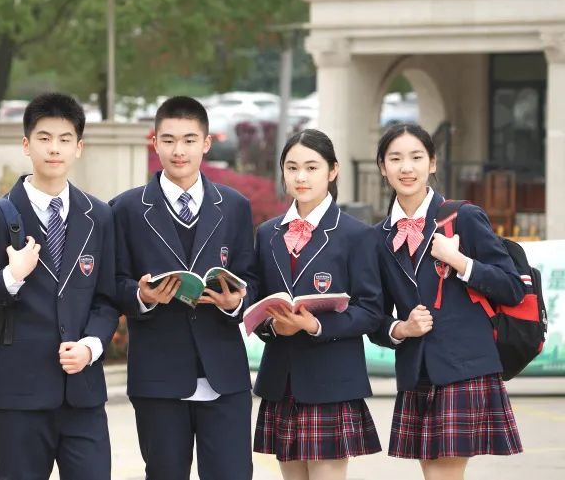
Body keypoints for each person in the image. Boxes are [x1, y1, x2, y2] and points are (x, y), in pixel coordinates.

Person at [0, 92, 119, 480]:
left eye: (64, 139)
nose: (54, 149)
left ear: (79, 148)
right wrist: (11, 277)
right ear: (26, 145)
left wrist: (91, 346)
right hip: (18, 396)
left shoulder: (99, 216)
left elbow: (107, 299)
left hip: (83, 395)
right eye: (44, 138)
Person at [109, 96, 257, 480]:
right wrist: (141, 295)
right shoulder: (125, 209)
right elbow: (112, 283)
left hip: (225, 375)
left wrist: (233, 303)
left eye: (190, 140)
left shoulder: (235, 207)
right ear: (154, 142)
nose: (179, 150)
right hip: (158, 375)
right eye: (169, 139)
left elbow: (250, 278)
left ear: (206, 143)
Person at [370, 123, 524, 480]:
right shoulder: (377, 237)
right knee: (434, 475)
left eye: (416, 157)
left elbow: (512, 287)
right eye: (395, 158)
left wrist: (460, 262)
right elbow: (373, 315)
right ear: (382, 167)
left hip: (464, 366)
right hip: (417, 369)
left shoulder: (463, 217)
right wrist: (400, 328)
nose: (406, 167)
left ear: (433, 163)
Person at [251, 129, 383, 480]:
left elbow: (371, 310)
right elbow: (259, 300)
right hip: (282, 380)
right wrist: (270, 325)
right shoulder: (267, 234)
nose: (301, 177)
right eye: (292, 167)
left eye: (311, 167)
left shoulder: (357, 234)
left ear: (333, 170)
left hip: (331, 381)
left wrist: (315, 325)